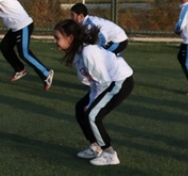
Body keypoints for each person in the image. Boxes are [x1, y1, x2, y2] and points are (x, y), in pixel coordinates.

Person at [53, 18, 135, 166]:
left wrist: (92, 103)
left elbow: (103, 82)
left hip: (120, 81)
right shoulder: (78, 53)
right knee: (81, 108)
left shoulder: (88, 52)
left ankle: (109, 154)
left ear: (70, 38)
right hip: (107, 82)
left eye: (57, 38)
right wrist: (90, 102)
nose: (54, 41)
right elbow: (92, 82)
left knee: (93, 115)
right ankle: (95, 147)